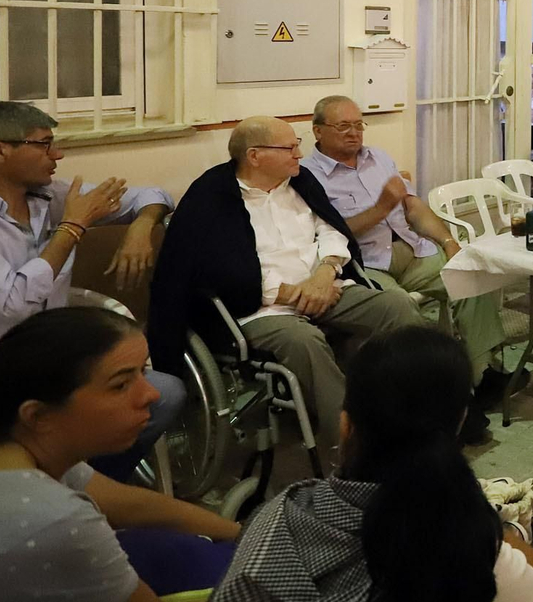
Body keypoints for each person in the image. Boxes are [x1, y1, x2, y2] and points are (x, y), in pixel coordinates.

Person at [215, 327, 533, 602]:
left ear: (346, 424)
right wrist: (496, 530)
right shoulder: (459, 538)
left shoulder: (276, 517)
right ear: (458, 423)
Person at [148, 117, 422, 458]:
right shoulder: (212, 197)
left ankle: (414, 416)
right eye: (289, 147)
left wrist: (324, 275)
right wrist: (292, 293)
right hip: (259, 308)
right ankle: (356, 444)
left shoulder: (301, 182)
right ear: (255, 156)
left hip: (325, 287)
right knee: (304, 342)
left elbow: (331, 230)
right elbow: (215, 271)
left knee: (397, 306)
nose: (299, 154)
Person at [0, 101, 182, 482]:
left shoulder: (48, 196)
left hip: (57, 357)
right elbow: (12, 301)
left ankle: (90, 486)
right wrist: (72, 226)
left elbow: (151, 195)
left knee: (163, 395)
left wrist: (141, 227)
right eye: (43, 144)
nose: (56, 155)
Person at [0, 308, 239, 601]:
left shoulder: (14, 449)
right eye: (121, 385)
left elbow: (132, 505)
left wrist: (241, 533)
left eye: (143, 372)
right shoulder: (59, 522)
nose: (152, 395)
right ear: (38, 415)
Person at [304, 95, 510, 442]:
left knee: (468, 273)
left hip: (411, 250)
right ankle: (435, 403)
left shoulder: (378, 158)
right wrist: (382, 208)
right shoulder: (308, 177)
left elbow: (413, 207)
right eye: (343, 126)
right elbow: (330, 233)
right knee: (401, 310)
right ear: (318, 131)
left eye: (358, 125)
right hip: (364, 263)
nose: (354, 133)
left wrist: (448, 242)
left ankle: (481, 376)